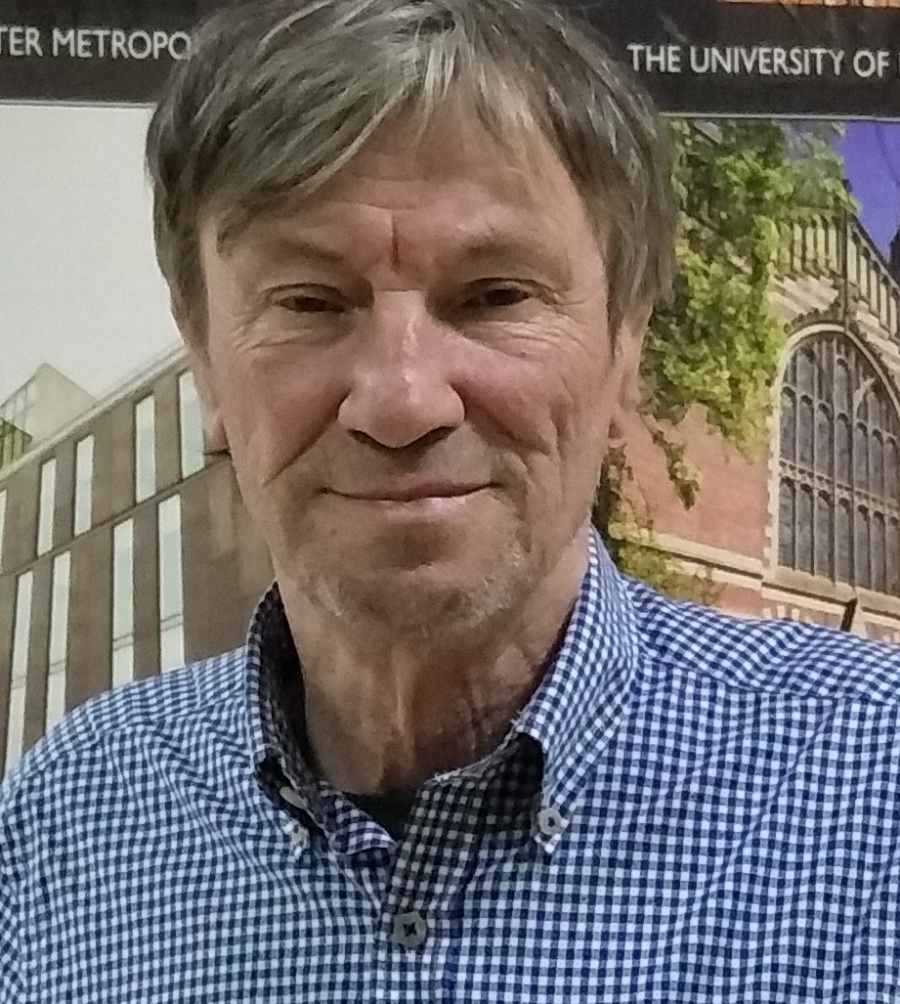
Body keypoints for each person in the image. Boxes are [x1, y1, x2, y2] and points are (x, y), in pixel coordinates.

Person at [2, 0, 900, 1000]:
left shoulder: (873, 791)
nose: (402, 400)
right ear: (207, 360)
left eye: (496, 295)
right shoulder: (68, 821)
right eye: (309, 301)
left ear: (626, 347)